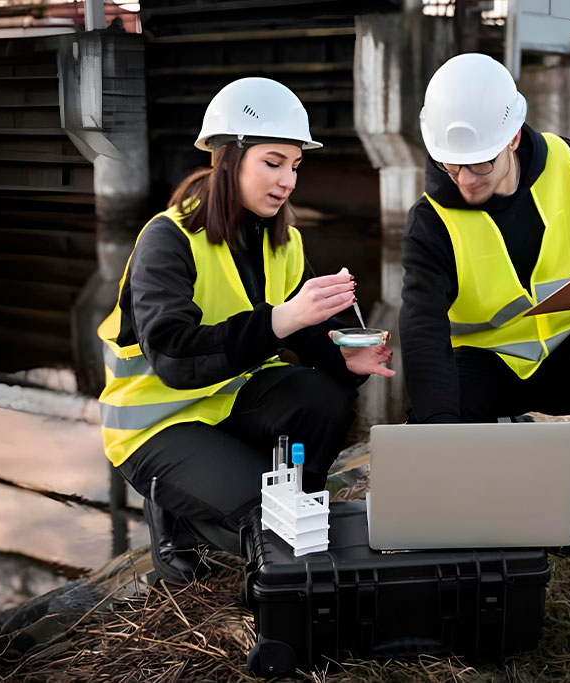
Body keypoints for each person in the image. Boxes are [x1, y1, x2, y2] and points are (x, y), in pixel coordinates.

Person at [97, 78, 395, 584]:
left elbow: (304, 334)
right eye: (273, 163)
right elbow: (174, 357)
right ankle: (177, 520)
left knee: (324, 398)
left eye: (295, 166)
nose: (288, 181)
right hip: (156, 424)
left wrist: (343, 356)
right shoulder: (167, 239)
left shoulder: (285, 241)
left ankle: (281, 519)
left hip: (230, 403)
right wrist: (281, 318)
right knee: (268, 520)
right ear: (226, 157)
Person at [400, 54, 570, 553]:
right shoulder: (429, 222)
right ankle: (481, 475)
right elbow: (422, 332)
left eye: (480, 163)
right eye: (451, 164)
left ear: (513, 138)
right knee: (436, 413)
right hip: (487, 368)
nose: (465, 179)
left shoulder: (565, 162)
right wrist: (439, 437)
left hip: (569, 357)